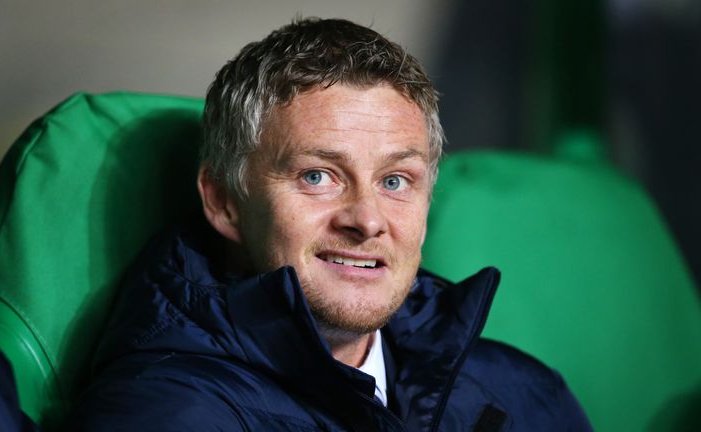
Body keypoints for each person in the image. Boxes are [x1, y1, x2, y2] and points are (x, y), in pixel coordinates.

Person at [69, 18, 591, 431]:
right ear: (225, 201)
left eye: (395, 181)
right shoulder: (166, 414)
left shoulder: (526, 395)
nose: (366, 220)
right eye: (318, 176)